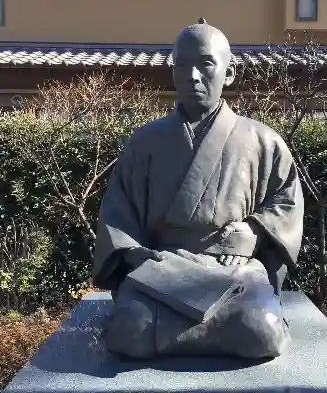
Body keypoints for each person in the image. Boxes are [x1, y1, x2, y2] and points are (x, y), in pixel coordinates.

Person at [93, 19, 304, 359]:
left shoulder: (264, 141)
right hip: (163, 268)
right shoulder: (144, 142)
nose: (192, 76)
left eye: (205, 64)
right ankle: (210, 331)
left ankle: (193, 331)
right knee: (127, 330)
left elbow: (286, 202)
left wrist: (254, 231)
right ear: (173, 73)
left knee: (261, 329)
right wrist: (138, 257)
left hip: (234, 270)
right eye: (182, 66)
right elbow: (119, 213)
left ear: (229, 72)